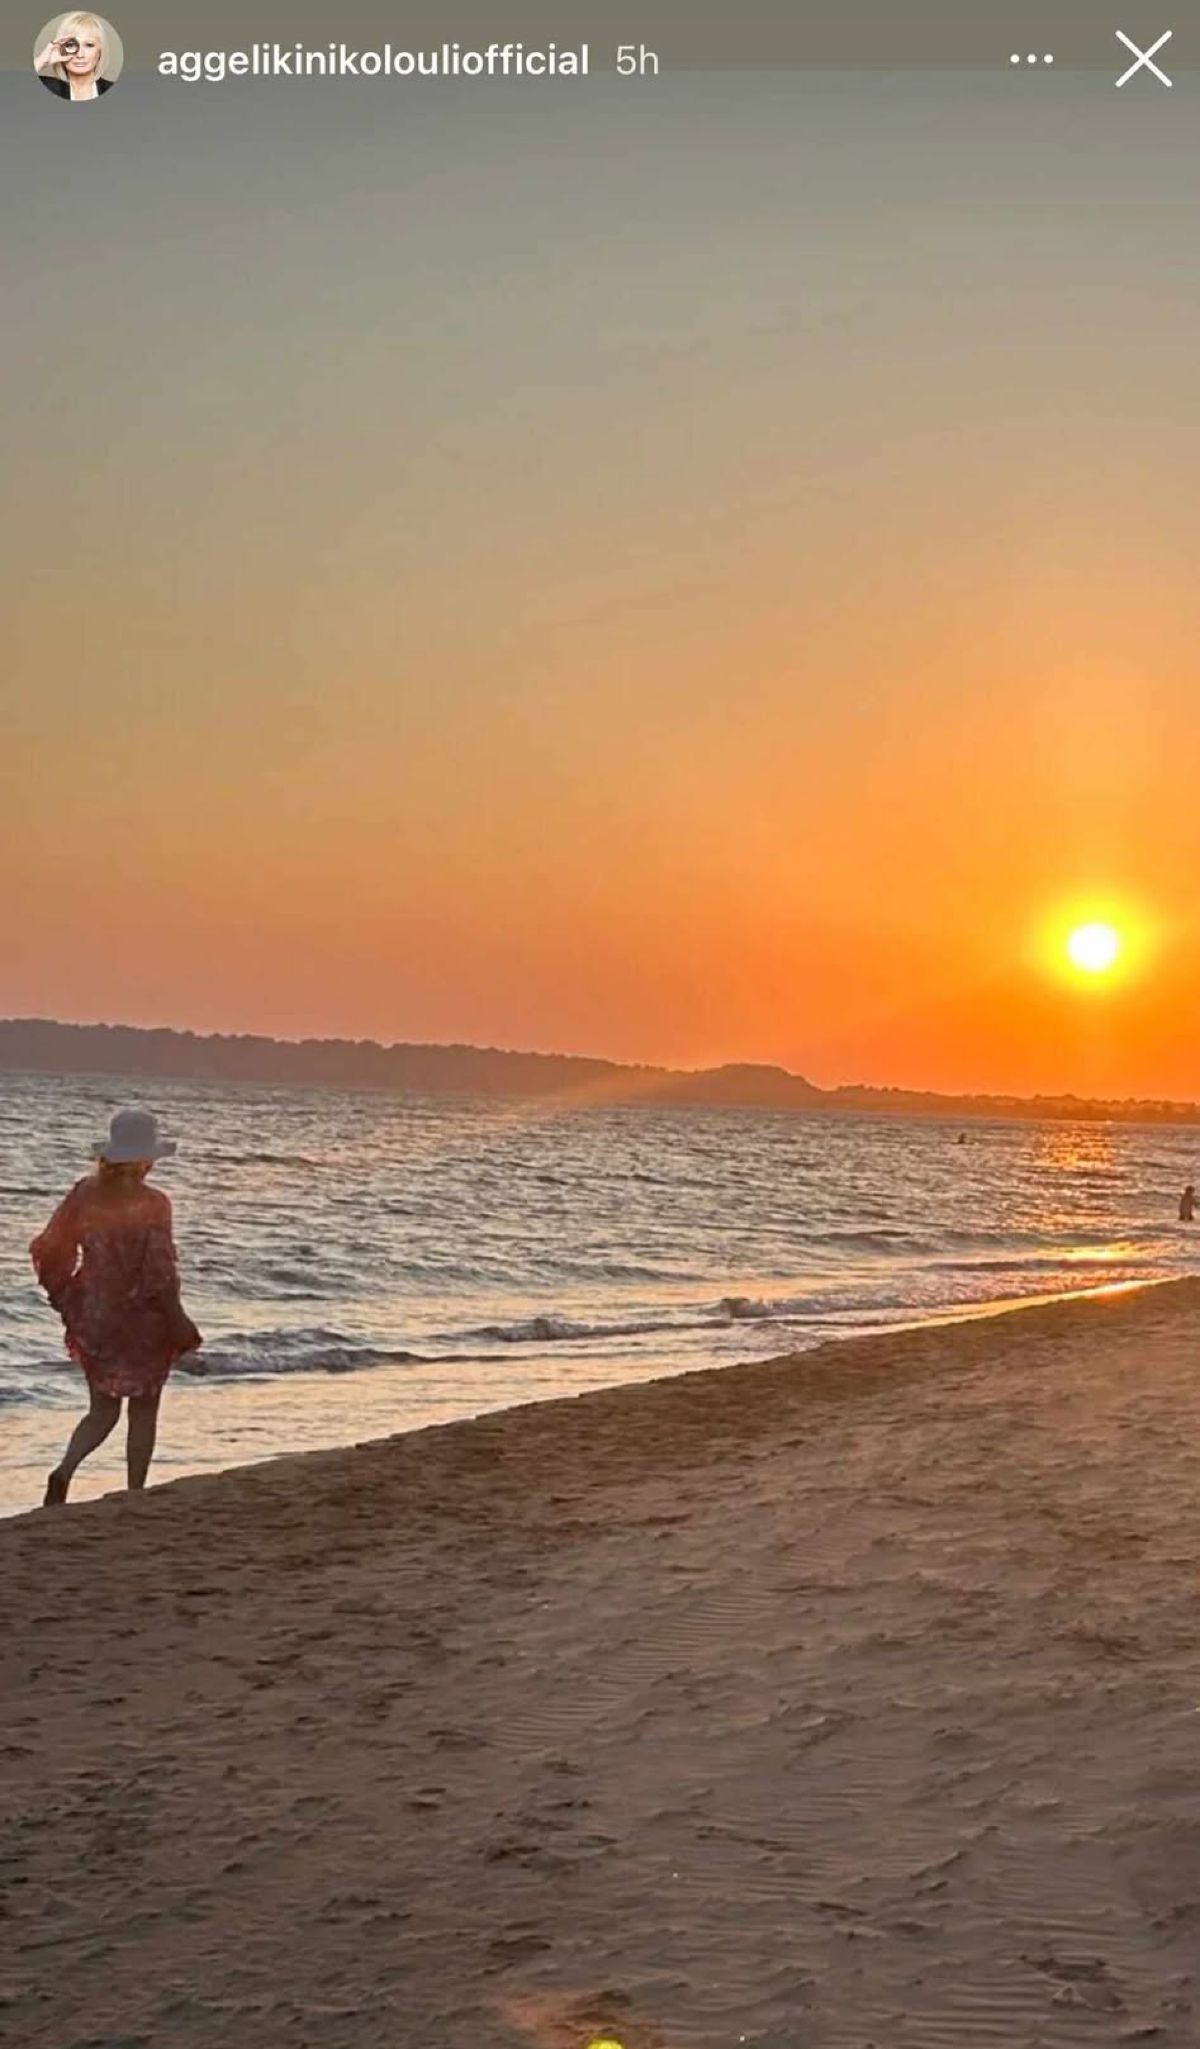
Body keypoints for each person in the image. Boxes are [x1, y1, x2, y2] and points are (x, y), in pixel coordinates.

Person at [30, 1107, 201, 1506]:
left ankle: (65, 1470)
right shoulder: (155, 1203)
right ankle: (135, 1492)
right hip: (143, 1319)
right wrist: (178, 1318)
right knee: (144, 1410)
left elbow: (51, 1247)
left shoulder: (84, 1194)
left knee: (102, 1410)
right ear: (145, 1159)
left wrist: (68, 1296)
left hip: (96, 1314)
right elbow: (159, 1272)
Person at [35, 12, 116, 99]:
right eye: (70, 45)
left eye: (89, 45)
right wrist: (42, 61)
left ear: (100, 51)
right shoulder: (47, 86)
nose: (80, 55)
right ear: (61, 49)